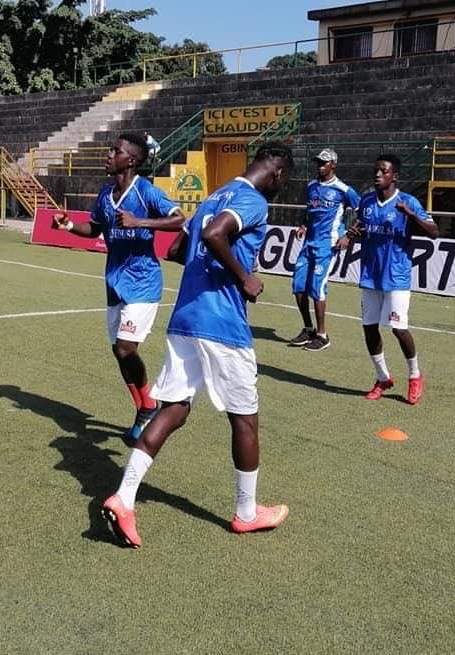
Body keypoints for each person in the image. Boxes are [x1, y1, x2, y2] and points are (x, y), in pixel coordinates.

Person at [101, 142, 295, 549]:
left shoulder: (214, 196)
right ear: (277, 172)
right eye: (286, 178)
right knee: (245, 419)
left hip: (185, 318)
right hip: (222, 322)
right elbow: (213, 234)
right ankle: (246, 513)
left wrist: (206, 263)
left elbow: (177, 249)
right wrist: (244, 277)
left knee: (173, 409)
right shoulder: (252, 200)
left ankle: (124, 496)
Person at [51, 134, 185, 444]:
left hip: (143, 282)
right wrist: (68, 226)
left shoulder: (147, 191)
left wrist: (141, 222)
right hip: (114, 283)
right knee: (118, 351)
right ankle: (144, 408)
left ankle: (149, 403)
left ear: (132, 160)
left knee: (126, 347)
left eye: (116, 151)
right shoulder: (105, 194)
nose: (109, 155)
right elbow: (95, 228)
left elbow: (179, 219)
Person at [346, 154, 438, 404]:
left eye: (383, 171)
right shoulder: (366, 201)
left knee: (399, 329)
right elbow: (362, 227)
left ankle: (415, 375)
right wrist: (352, 234)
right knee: (369, 327)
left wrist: (410, 215)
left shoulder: (408, 202)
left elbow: (434, 232)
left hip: (397, 276)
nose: (377, 175)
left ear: (394, 176)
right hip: (370, 275)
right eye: (376, 170)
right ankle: (382, 377)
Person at [288, 148, 361, 351]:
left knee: (317, 288)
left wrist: (348, 235)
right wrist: (303, 225)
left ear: (333, 165)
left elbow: (364, 213)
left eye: (324, 162)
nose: (320, 166)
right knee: (299, 287)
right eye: (318, 162)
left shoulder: (343, 189)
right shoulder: (311, 186)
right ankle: (308, 329)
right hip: (308, 243)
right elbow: (309, 211)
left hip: (328, 245)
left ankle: (322, 335)